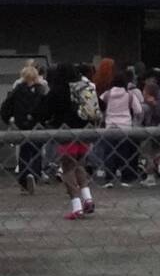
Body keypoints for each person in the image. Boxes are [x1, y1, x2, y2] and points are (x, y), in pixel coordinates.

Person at [46, 64, 97, 219]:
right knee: (79, 165)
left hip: (67, 134)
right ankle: (88, 198)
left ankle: (76, 206)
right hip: (84, 133)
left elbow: (43, 110)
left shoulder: (58, 90)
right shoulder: (84, 88)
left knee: (67, 169)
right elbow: (100, 105)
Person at [4, 63, 48, 194]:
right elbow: (45, 107)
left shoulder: (17, 90)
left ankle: (23, 180)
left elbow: (6, 106)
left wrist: (9, 119)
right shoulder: (41, 90)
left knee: (24, 152)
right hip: (37, 126)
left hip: (21, 125)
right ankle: (34, 174)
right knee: (36, 152)